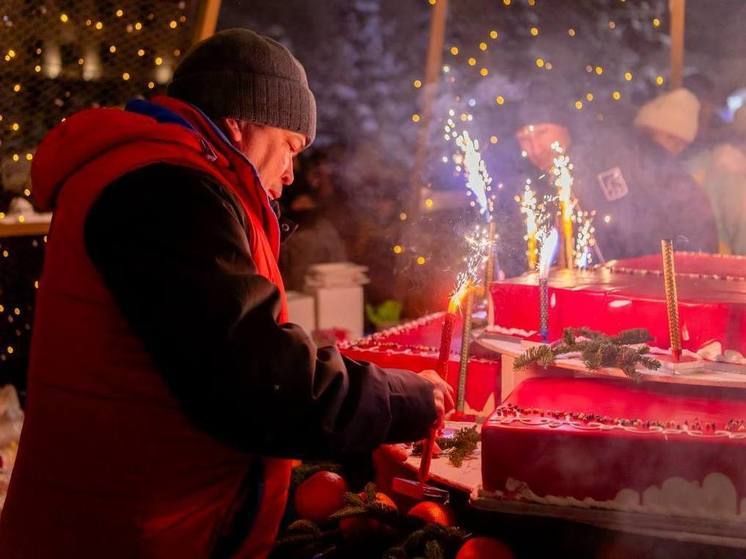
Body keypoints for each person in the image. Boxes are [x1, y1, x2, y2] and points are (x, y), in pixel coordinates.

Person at [0, 29, 452, 559]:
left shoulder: (155, 177)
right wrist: (400, 398)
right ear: (240, 122)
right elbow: (256, 379)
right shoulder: (167, 192)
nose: (289, 173)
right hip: (133, 533)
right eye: (288, 146)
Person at [506, 88, 718, 267]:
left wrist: (691, 271)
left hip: (654, 288)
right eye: (524, 139)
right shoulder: (532, 188)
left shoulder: (618, 154)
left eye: (542, 132)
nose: (535, 148)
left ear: (565, 128)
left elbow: (691, 209)